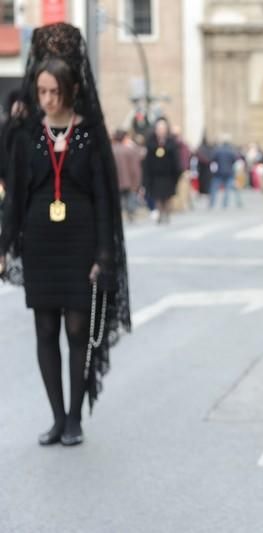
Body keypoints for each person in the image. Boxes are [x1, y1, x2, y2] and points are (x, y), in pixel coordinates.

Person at [0, 23, 131, 446]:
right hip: (38, 242)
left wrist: (104, 254)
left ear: (71, 90)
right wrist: (3, 245)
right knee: (44, 331)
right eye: (41, 92)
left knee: (77, 331)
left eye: (55, 92)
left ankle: (75, 417)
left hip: (80, 242)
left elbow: (106, 199)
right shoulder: (25, 132)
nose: (48, 100)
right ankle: (56, 417)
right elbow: (14, 194)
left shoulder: (89, 134)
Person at [142, 116, 181, 224]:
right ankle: (160, 213)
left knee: (167, 196)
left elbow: (176, 159)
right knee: (157, 196)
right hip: (155, 175)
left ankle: (166, 214)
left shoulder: (171, 142)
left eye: (163, 128)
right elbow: (147, 160)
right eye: (159, 128)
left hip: (168, 175)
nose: (161, 130)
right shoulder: (150, 142)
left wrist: (177, 173)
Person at [111, 129, 144, 222]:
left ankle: (121, 215)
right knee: (129, 197)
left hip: (116, 180)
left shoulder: (111, 150)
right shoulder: (129, 150)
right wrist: (137, 181)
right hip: (128, 180)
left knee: (120, 198)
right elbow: (135, 167)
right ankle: (130, 214)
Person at [209, 133, 242, 209]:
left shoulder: (218, 150)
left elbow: (213, 159)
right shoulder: (232, 151)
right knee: (227, 189)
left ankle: (212, 203)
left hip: (219, 172)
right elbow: (235, 160)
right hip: (229, 172)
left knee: (214, 188)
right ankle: (225, 204)